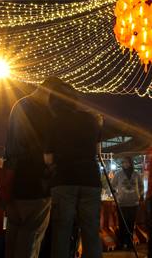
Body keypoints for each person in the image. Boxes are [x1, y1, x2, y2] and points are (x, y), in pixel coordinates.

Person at [4, 77, 63, 258]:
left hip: (12, 181)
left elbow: (10, 146)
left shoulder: (19, 105)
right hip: (36, 183)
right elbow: (48, 150)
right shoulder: (46, 113)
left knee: (13, 233)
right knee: (31, 236)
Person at [44, 82, 103, 258]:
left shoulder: (54, 122)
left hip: (64, 180)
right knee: (91, 230)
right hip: (90, 179)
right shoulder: (92, 120)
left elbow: (48, 158)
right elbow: (98, 152)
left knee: (62, 229)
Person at [111, 156, 144, 250]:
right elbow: (112, 186)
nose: (125, 164)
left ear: (131, 163)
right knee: (122, 224)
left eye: (127, 162)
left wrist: (140, 195)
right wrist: (116, 196)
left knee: (131, 223)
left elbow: (141, 186)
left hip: (134, 203)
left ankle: (129, 243)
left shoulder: (137, 174)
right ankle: (121, 243)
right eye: (124, 162)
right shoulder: (118, 174)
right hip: (121, 203)